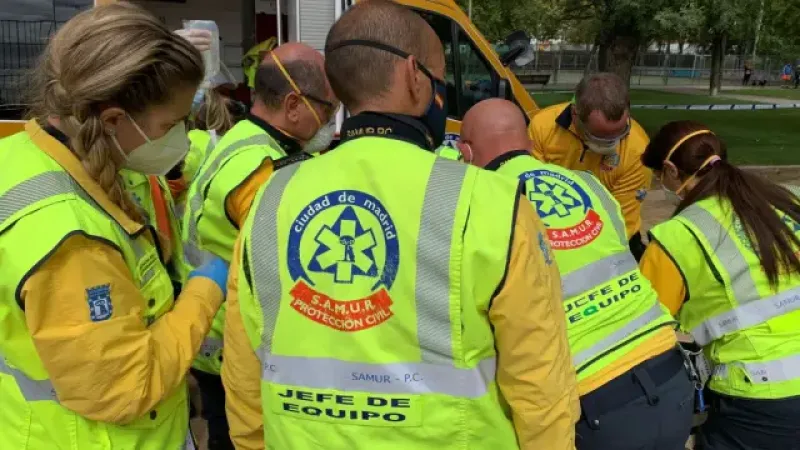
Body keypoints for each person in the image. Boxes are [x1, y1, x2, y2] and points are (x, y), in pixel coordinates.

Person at [221, 2, 579, 449]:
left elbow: (242, 368)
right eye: (440, 75)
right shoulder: (491, 202)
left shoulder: (269, 200)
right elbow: (540, 384)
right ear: (414, 76)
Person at [0, 4, 228, 449]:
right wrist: (205, 290)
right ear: (113, 120)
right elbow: (125, 388)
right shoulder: (69, 240)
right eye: (171, 124)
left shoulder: (38, 154)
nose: (181, 137)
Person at [459, 99, 692, 450]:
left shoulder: (478, 206)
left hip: (592, 397)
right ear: (528, 144)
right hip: (669, 372)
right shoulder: (589, 185)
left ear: (465, 152)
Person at [181, 41, 339, 450]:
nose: (331, 123)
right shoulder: (260, 170)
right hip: (233, 347)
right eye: (327, 108)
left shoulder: (248, 141)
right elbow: (289, 262)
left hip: (215, 332)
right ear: (292, 105)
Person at [639, 120, 800, 449]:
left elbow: (644, 329)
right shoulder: (779, 201)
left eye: (658, 175)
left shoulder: (678, 236)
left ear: (670, 169)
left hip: (760, 396)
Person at [530, 73, 651, 260]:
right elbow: (532, 192)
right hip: (552, 229)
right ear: (575, 114)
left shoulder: (638, 149)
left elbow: (620, 221)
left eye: (620, 132)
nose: (610, 143)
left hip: (615, 238)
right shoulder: (542, 127)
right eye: (598, 136)